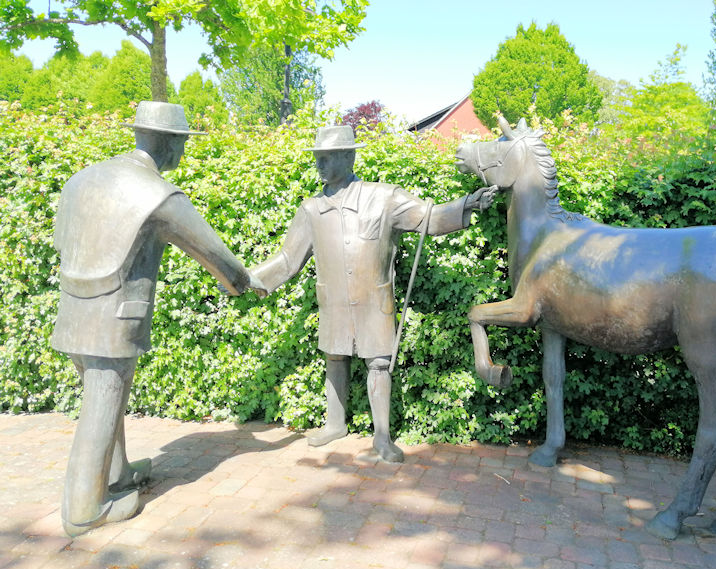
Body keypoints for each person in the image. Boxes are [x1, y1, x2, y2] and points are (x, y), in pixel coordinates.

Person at [51, 101, 266, 536]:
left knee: (105, 398)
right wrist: (244, 281)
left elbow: (61, 241)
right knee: (101, 403)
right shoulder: (158, 195)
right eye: (182, 143)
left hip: (73, 310)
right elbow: (213, 252)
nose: (183, 152)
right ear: (169, 143)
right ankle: (84, 509)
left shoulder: (82, 179)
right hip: (116, 316)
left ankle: (117, 475)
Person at [251, 125, 495, 462]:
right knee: (335, 356)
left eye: (327, 158)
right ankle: (334, 423)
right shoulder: (311, 209)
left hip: (373, 299)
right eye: (318, 158)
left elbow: (428, 217)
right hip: (334, 299)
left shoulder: (384, 197)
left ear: (348, 157)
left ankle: (382, 437)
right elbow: (288, 260)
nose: (320, 165)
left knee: (379, 363)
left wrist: (467, 204)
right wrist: (248, 279)